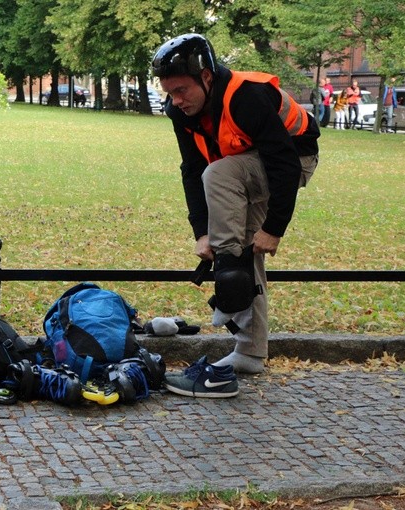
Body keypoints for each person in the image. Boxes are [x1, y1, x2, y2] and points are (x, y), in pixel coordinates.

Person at [150, 34, 320, 390]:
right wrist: (201, 231)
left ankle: (229, 285)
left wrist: (274, 228)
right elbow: (191, 168)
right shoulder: (180, 111)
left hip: (295, 160)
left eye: (181, 90)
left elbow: (285, 165)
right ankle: (250, 352)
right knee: (247, 248)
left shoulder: (247, 97)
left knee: (221, 175)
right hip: (247, 169)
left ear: (206, 77)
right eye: (169, 92)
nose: (175, 100)